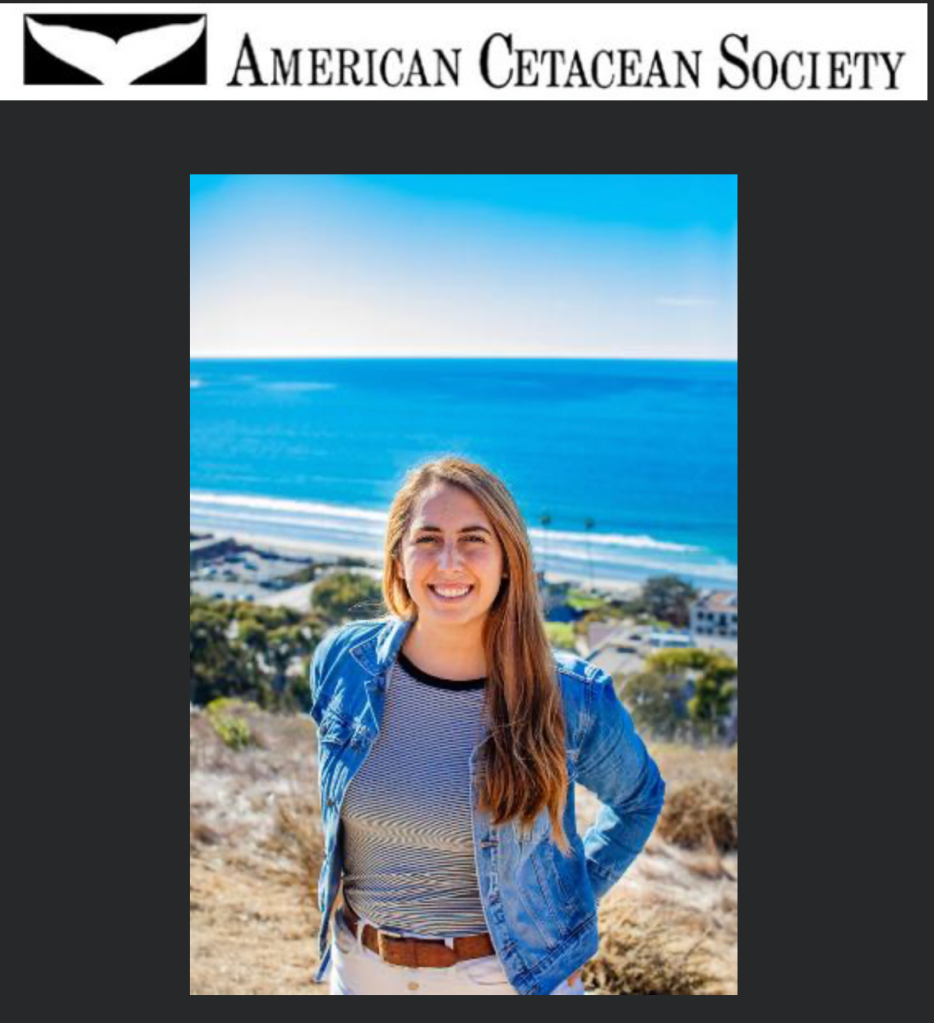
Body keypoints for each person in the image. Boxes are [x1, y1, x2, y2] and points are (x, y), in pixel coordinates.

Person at [309, 456, 666, 995]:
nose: (449, 561)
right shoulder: (344, 663)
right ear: (398, 559)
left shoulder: (571, 697)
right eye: (427, 538)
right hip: (360, 971)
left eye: (474, 539)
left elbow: (640, 798)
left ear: (507, 562)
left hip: (502, 981)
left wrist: (568, 919)